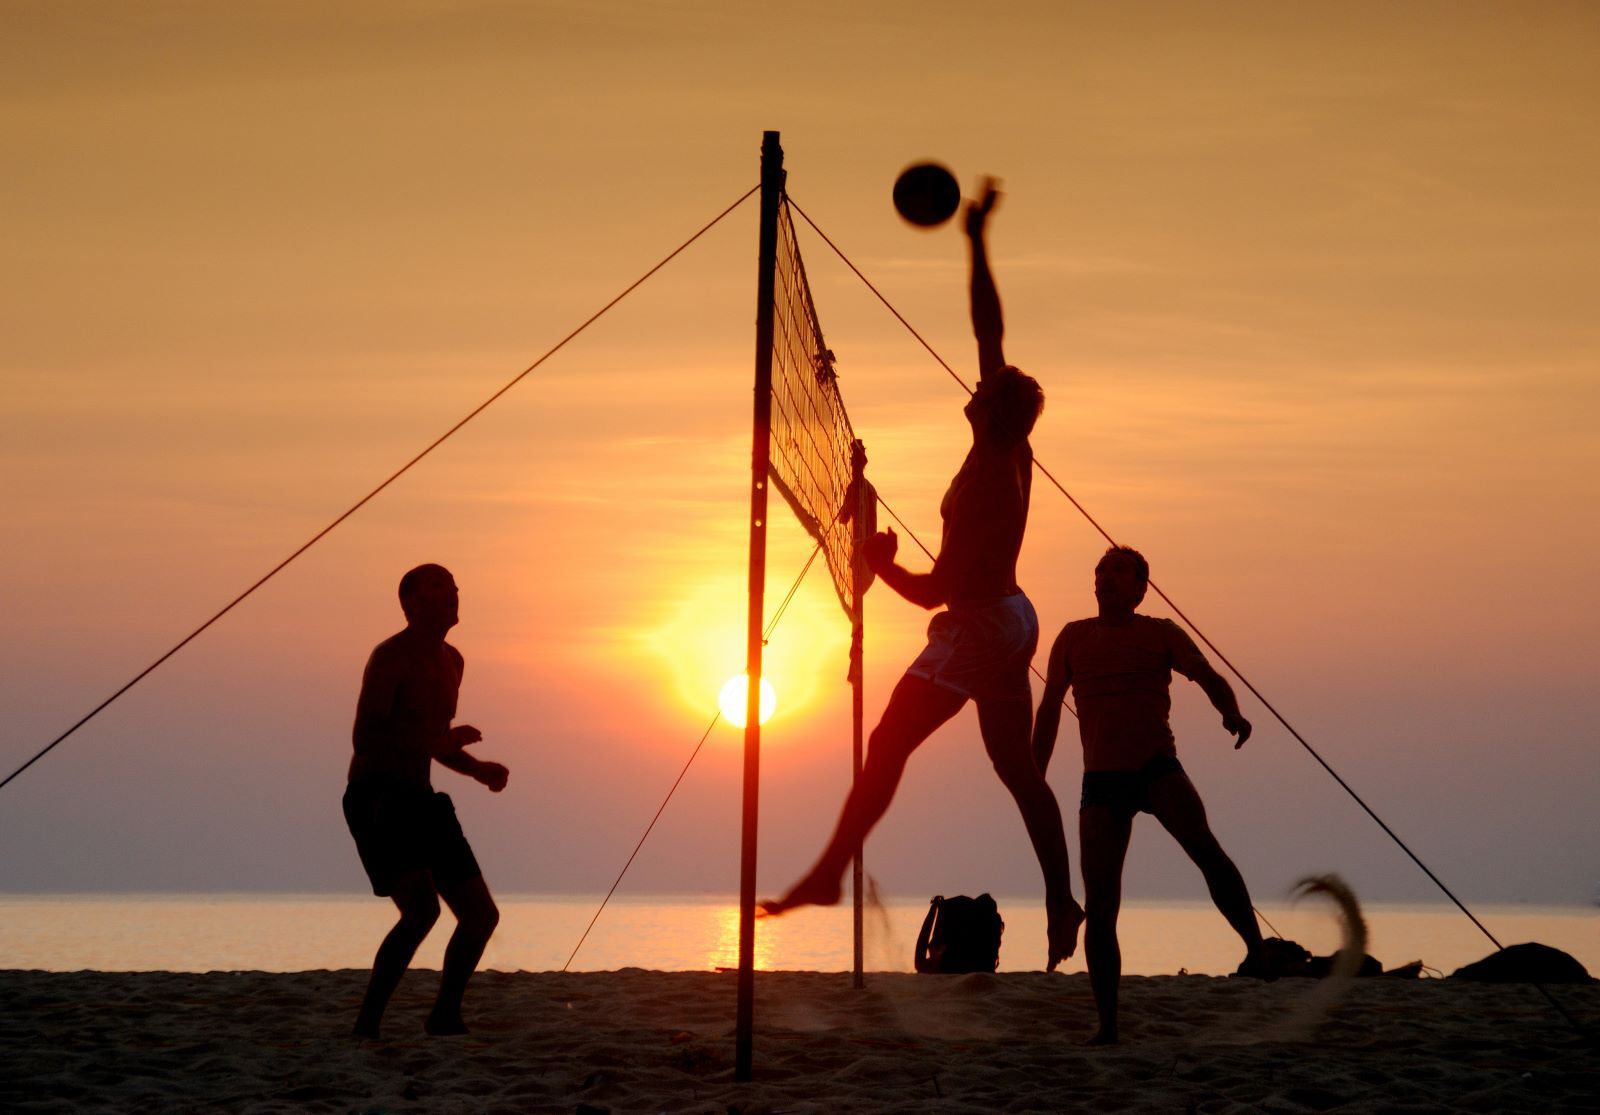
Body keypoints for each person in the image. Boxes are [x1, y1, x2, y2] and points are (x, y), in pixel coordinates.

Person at [761, 180, 1086, 969]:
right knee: (1015, 770)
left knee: (888, 737)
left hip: (978, 622)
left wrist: (883, 567)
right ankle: (1061, 896)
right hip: (1013, 615)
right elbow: (990, 330)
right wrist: (975, 240)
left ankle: (830, 872)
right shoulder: (1006, 441)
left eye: (981, 392)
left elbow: (939, 591)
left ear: (990, 410)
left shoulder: (984, 488)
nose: (972, 389)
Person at [1033, 545, 1264, 1044]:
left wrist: (1231, 712)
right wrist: (1034, 769)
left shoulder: (1159, 632)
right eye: (1099, 570)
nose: (1104, 576)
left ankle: (1257, 949)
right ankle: (1108, 1026)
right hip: (1101, 783)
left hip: (1157, 769)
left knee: (1207, 852)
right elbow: (1050, 706)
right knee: (1102, 902)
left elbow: (1206, 675)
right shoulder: (1072, 637)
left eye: (1118, 570)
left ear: (1141, 587)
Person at [342, 563, 509, 1039]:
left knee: (481, 916)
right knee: (421, 912)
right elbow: (368, 737)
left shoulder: (454, 660)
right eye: (438, 588)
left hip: (422, 798)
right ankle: (367, 1025)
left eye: (454, 587)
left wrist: (478, 769)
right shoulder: (391, 656)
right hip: (378, 798)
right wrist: (438, 743)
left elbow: (434, 741)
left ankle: (444, 1014)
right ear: (410, 602)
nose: (452, 594)